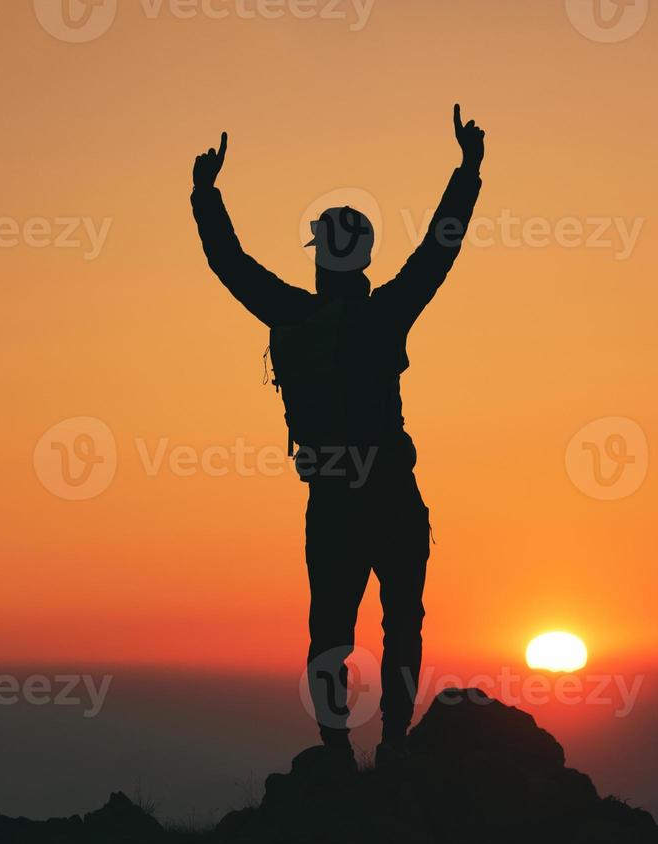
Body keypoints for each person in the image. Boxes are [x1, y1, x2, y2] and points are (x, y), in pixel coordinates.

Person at [191, 106, 486, 770]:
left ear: (324, 257)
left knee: (332, 630)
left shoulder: (292, 312)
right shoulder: (387, 314)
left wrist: (206, 195)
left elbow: (229, 263)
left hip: (333, 496)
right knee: (401, 620)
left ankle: (334, 750)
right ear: (365, 258)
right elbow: (441, 247)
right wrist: (468, 172)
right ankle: (395, 743)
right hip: (389, 489)